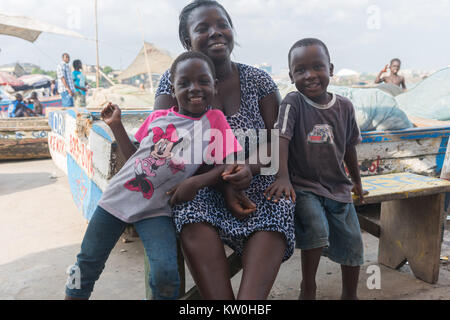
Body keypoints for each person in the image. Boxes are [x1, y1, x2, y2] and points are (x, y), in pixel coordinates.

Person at [65, 51, 243, 300]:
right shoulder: (158, 117)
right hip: (116, 198)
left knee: (166, 275)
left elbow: (229, 164)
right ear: (172, 88)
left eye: (203, 81)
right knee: (86, 263)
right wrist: (116, 126)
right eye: (184, 83)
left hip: (157, 209)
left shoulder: (214, 120)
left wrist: (196, 181)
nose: (195, 88)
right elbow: (134, 158)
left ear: (214, 86)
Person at [154, 0, 295, 300]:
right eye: (203, 28)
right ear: (186, 40)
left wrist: (248, 169)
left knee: (279, 206)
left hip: (254, 183)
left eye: (222, 25)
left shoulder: (259, 81)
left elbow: (277, 137)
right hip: (198, 185)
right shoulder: (173, 80)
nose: (216, 33)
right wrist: (216, 180)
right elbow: (163, 147)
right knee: (189, 212)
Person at [265, 38, 365, 300]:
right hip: (304, 185)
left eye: (317, 67)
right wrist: (283, 177)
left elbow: (349, 148)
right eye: (300, 70)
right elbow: (281, 139)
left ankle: (350, 294)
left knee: (354, 241)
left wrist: (357, 182)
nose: (309, 76)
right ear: (291, 75)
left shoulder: (344, 106)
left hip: (338, 186)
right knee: (317, 231)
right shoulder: (293, 102)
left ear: (330, 69)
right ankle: (308, 287)